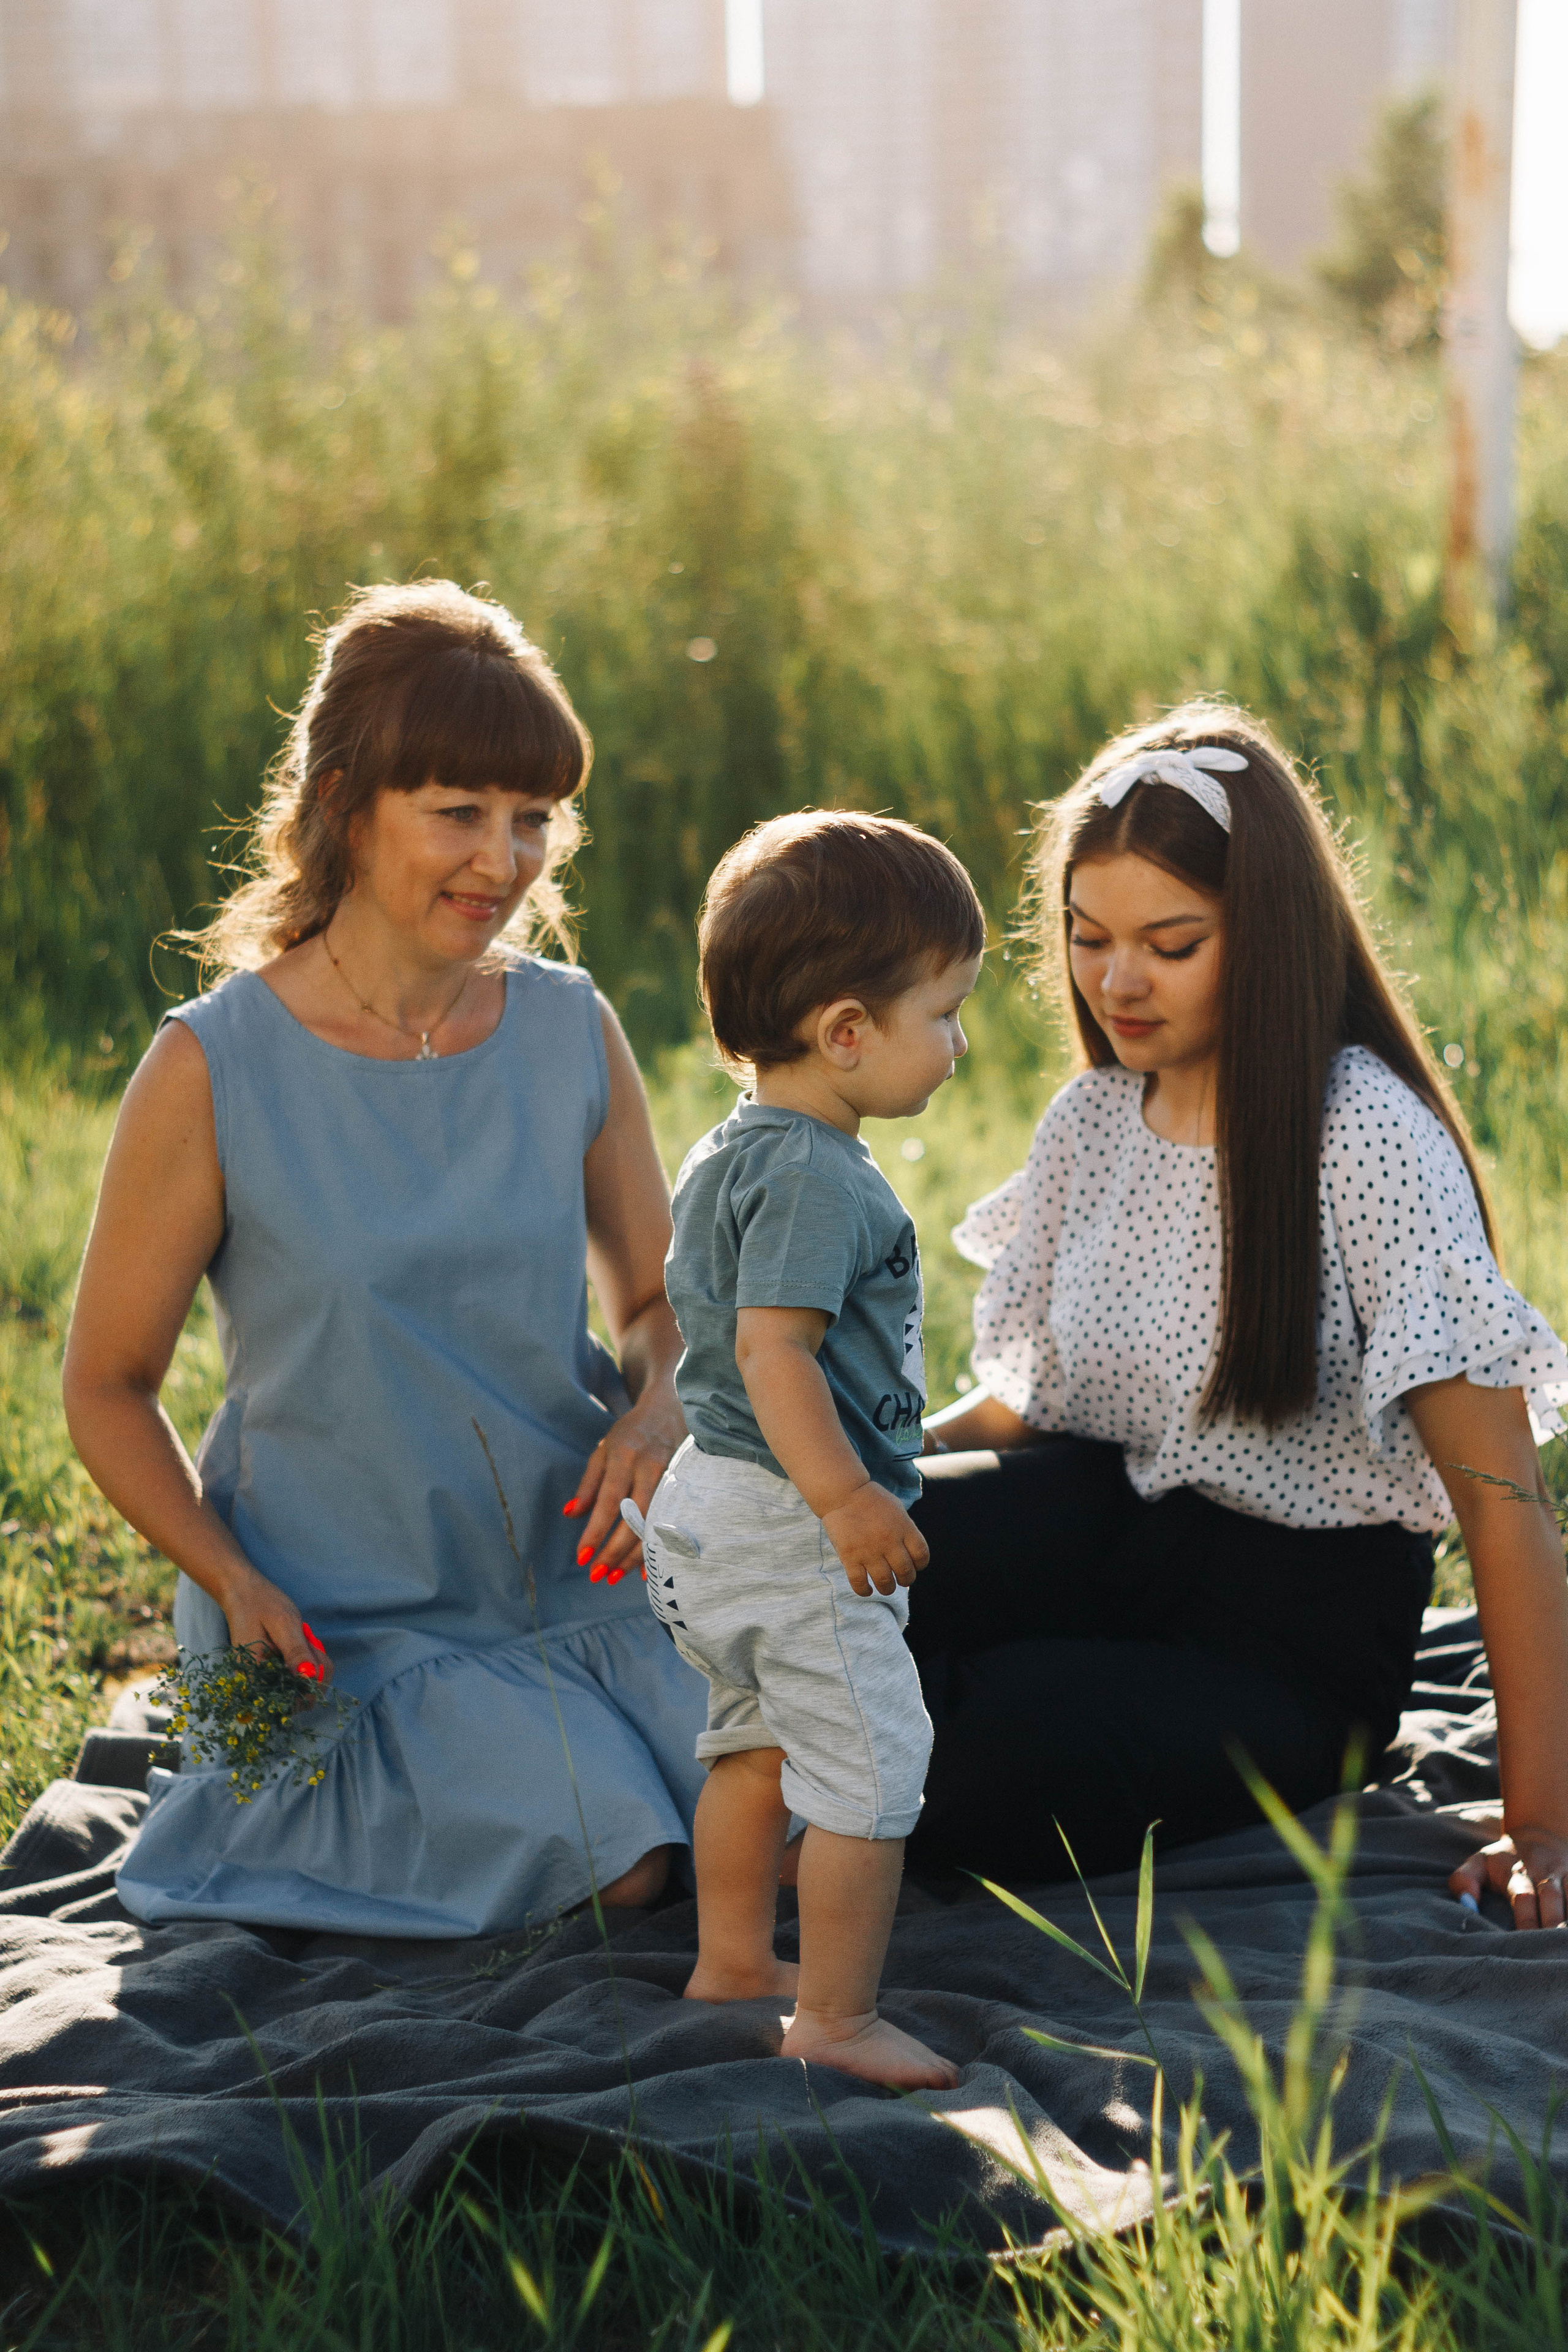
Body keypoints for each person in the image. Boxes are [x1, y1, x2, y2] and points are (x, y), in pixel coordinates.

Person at [62, 580, 709, 1938]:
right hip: (341, 1618)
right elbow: (108, 1384)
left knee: (780, 1817)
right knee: (628, 1861)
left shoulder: (566, 1029)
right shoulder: (213, 1064)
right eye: (459, 813)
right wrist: (229, 1577)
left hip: (577, 1579)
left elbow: (656, 1300)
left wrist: (657, 1407)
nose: (507, 858)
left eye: (533, 818)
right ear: (347, 804)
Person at [908, 703, 1568, 1931]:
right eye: (1088, 936)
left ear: (1263, 936)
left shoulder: (1360, 1135)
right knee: (827, 1571)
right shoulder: (1092, 1123)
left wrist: (1541, 1825)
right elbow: (1024, 1403)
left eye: (1169, 943)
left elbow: (1504, 1502)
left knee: (947, 1751)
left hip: (1285, 1643)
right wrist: (838, 1477)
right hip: (1104, 1524)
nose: (1115, 980)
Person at [646, 813, 982, 2087]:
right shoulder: (819, 1179)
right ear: (846, 1033)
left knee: (752, 1741)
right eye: (942, 1015)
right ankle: (835, 2020)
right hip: (787, 1518)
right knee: (870, 1762)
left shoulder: (736, 1142)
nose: (957, 1045)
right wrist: (842, 1498)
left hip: (707, 1510)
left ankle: (733, 1958)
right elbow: (772, 1353)